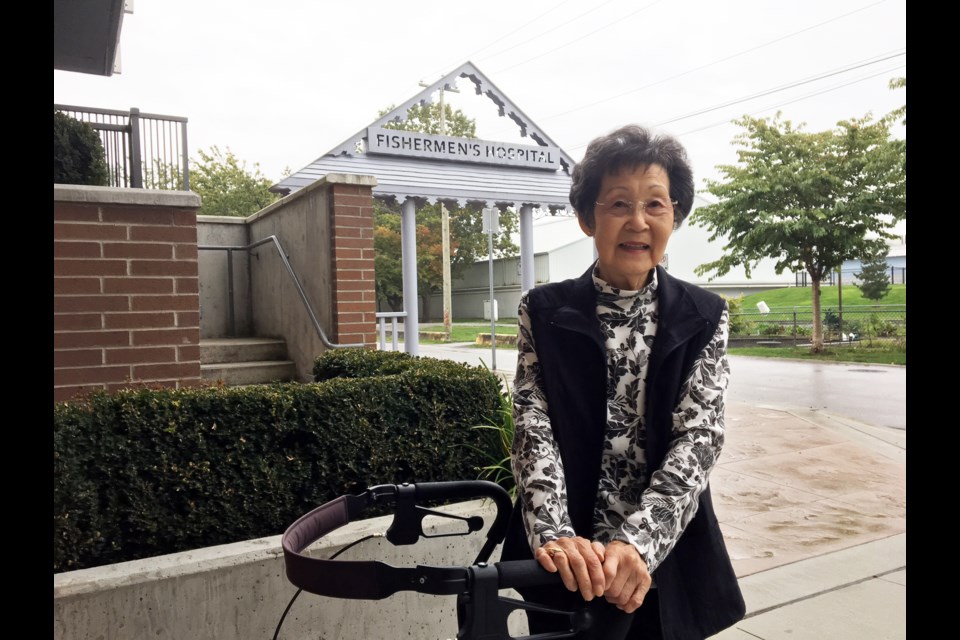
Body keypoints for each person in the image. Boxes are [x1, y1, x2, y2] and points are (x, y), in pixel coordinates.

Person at [501, 124, 746, 639]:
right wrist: (556, 536)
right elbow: (532, 422)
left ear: (674, 214)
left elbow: (698, 439)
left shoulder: (704, 315)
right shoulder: (544, 312)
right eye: (618, 204)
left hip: (664, 562)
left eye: (655, 204)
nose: (638, 222)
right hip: (568, 564)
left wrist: (638, 546)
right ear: (588, 217)